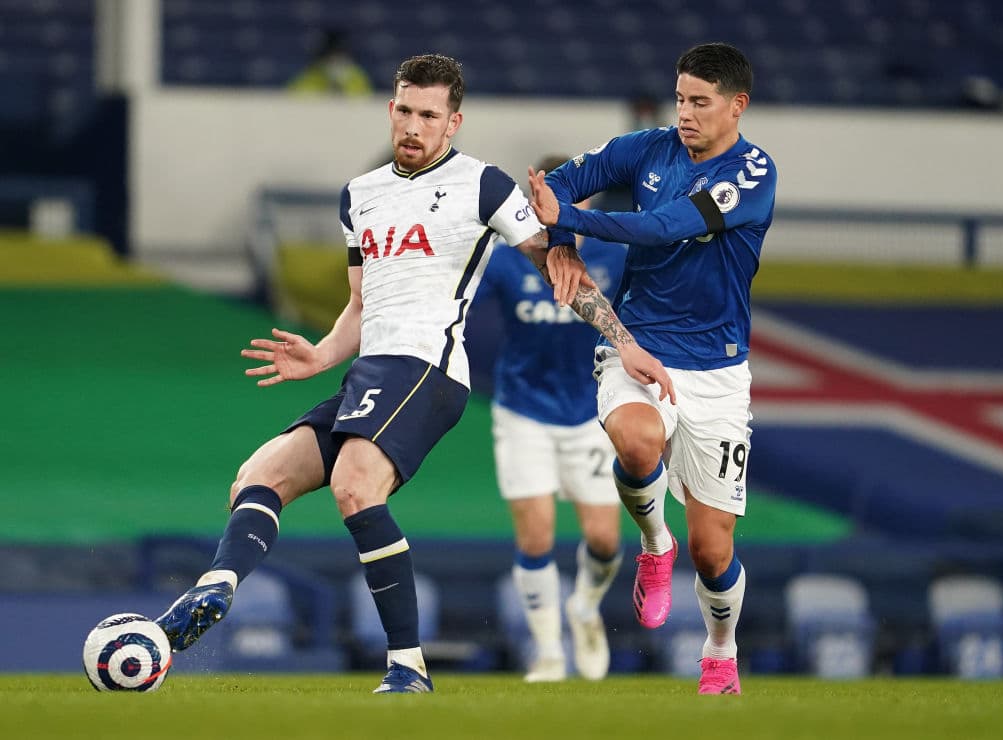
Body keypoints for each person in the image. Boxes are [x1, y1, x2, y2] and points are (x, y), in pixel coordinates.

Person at [154, 53, 672, 695]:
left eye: (429, 115)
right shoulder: (360, 196)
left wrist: (623, 343)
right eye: (405, 109)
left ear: (453, 122)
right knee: (258, 475)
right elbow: (361, 305)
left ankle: (408, 666)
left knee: (353, 483)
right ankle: (210, 595)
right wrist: (320, 354)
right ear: (390, 109)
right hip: (371, 370)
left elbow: (558, 267)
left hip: (430, 367)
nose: (414, 125)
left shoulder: (483, 185)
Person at [527, 42, 777, 695]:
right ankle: (653, 543)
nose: (686, 113)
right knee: (637, 440)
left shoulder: (751, 173)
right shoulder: (647, 147)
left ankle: (720, 650)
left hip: (719, 372)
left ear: (736, 105)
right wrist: (561, 245)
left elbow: (667, 226)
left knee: (715, 551)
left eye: (701, 102)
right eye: (682, 98)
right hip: (639, 344)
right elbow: (555, 184)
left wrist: (571, 221)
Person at [472, 155, 627, 682]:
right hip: (524, 411)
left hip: (591, 413)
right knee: (535, 538)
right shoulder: (509, 257)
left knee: (605, 541)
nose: (563, 209)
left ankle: (584, 607)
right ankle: (548, 653)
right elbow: (459, 294)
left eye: (574, 198)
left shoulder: (613, 253)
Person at [288, 29, 374, 96]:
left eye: (340, 57)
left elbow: (366, 101)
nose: (336, 62)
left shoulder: (357, 76)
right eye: (331, 58)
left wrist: (342, 87)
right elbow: (292, 99)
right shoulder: (311, 76)